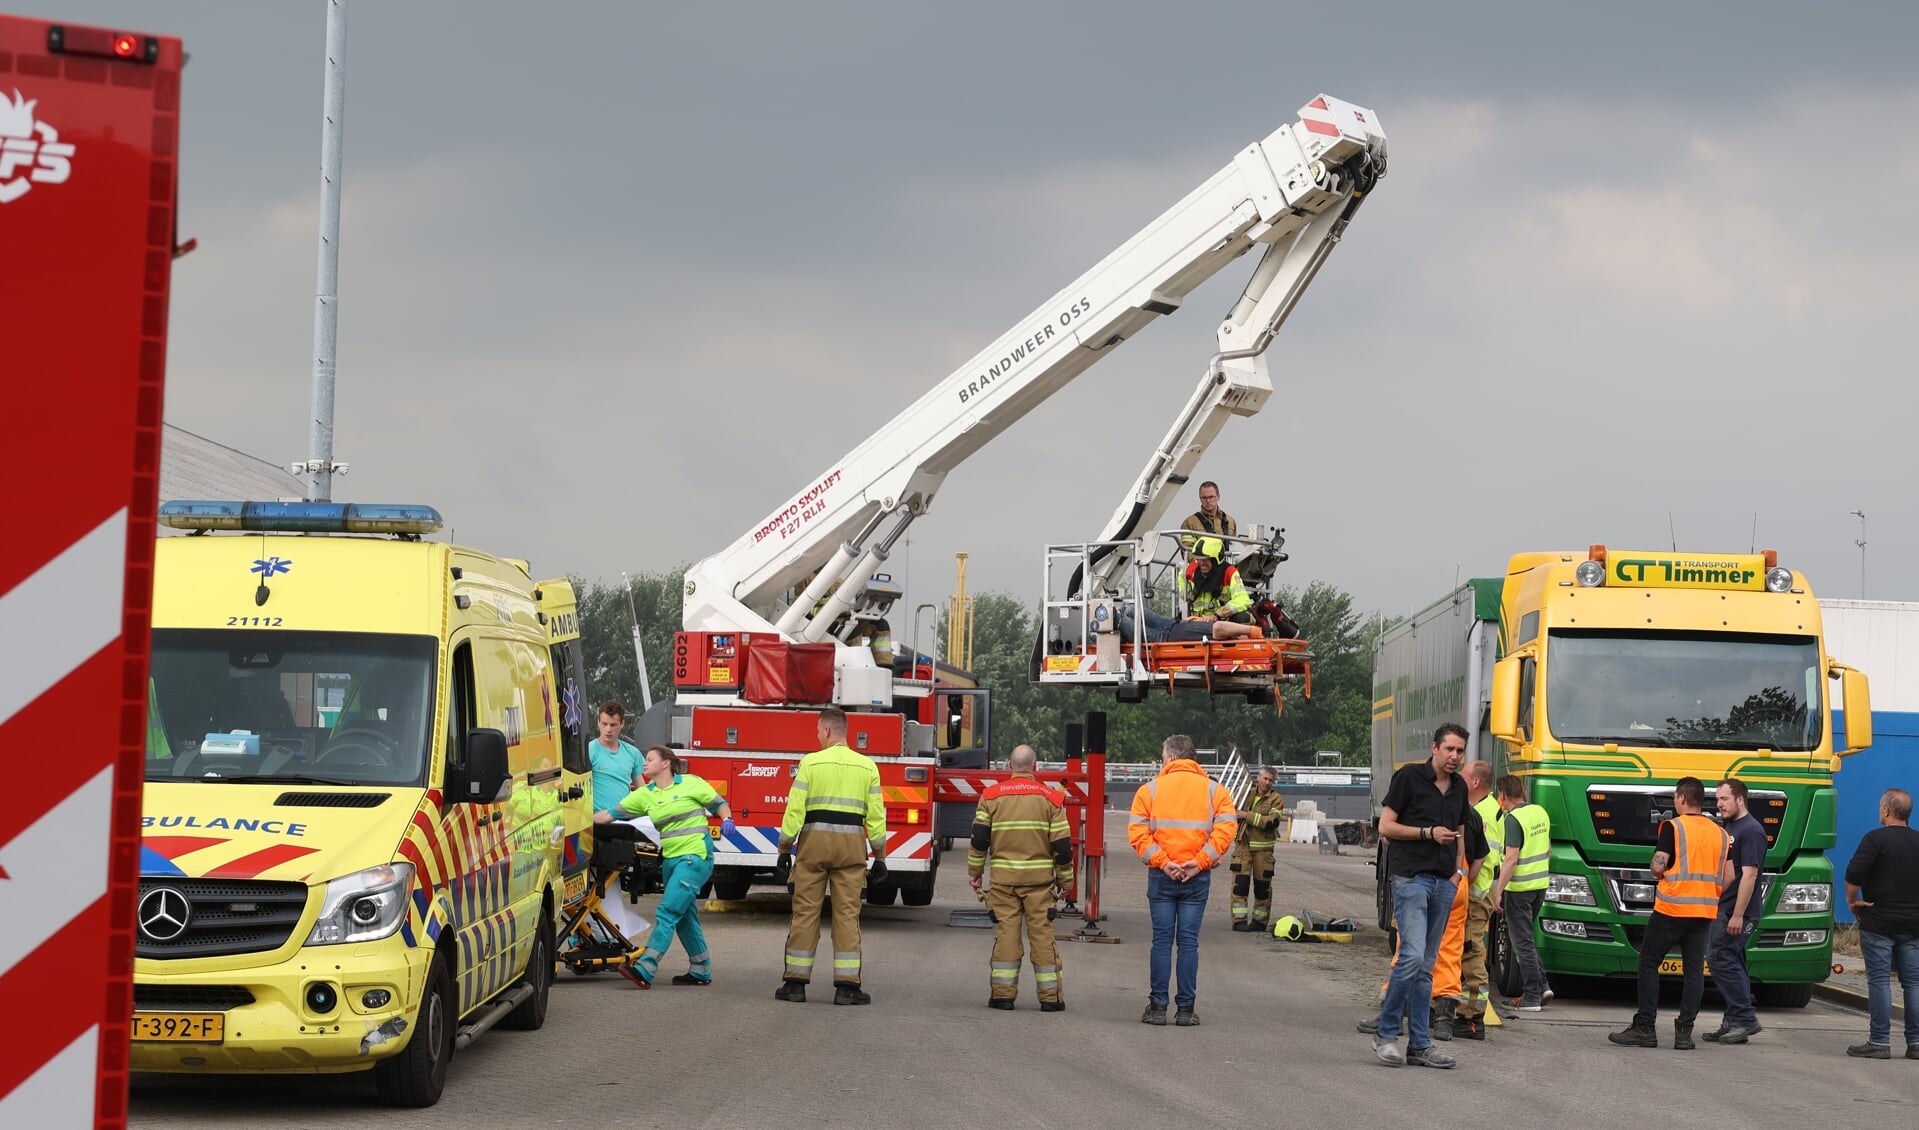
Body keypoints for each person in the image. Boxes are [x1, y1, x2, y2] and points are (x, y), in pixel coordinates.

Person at [1369, 723, 1487, 1069]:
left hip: (1443, 883)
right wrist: (1426, 833)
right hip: (1410, 880)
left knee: (1427, 966)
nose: (1454, 756)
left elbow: (1462, 829)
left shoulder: (1459, 788)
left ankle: (1420, 1044)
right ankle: (1387, 1033)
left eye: (1460, 751)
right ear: (1434, 748)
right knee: (1412, 956)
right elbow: (1386, 827)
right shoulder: (1409, 778)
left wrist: (1459, 872)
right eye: (1449, 749)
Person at [593, 745, 734, 987]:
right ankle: (701, 969)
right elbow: (606, 816)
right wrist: (573, 819)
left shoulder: (691, 783)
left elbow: (718, 804)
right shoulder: (644, 794)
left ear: (666, 763)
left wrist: (727, 818)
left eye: (649, 759)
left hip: (695, 858)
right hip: (671, 862)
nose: (644, 764)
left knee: (667, 912)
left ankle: (646, 968)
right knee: (684, 916)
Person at [773, 706, 887, 1006]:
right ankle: (847, 988)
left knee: (805, 913)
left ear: (826, 731)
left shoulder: (810, 764)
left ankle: (795, 985)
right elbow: (876, 817)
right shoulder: (868, 767)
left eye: (817, 732)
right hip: (851, 848)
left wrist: (784, 849)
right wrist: (881, 856)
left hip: (813, 847)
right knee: (847, 915)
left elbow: (795, 811)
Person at [1608, 777, 1729, 1050]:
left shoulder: (1673, 827)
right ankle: (1685, 1033)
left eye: (1676, 798)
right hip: (1704, 910)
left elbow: (1658, 866)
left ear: (1682, 799)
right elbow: (1729, 874)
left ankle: (1645, 1027)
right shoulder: (1720, 833)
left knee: (1649, 961)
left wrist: (1658, 869)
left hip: (1672, 908)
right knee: (1694, 971)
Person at [1128, 734, 1236, 1026]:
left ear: (1173, 757)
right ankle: (1186, 1010)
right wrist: (1199, 862)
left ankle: (1158, 1008)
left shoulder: (1148, 791)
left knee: (1162, 942)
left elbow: (1138, 832)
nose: (1161, 763)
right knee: (1189, 943)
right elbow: (1226, 830)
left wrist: (1164, 863)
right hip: (1196, 876)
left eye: (1163, 758)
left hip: (1162, 875)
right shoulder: (1216, 791)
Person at [968, 744, 1074, 1012]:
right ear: (1035, 766)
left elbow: (979, 839)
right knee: (1042, 938)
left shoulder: (990, 797)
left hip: (1004, 884)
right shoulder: (1052, 799)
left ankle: (1003, 995)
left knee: (1007, 935)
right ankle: (1051, 999)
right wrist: (1066, 882)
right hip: (1039, 885)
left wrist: (976, 873)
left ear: (1009, 766)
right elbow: (1062, 847)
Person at [1842, 787, 1919, 1059]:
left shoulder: (1876, 839)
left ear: (1886, 811)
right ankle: (1916, 1043)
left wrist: (1853, 902)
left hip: (1879, 922)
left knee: (1879, 982)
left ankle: (1880, 1042)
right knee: (1913, 983)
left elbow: (1853, 874)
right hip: (1913, 925)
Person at [1702, 777, 1766, 1044]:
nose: (1719, 805)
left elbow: (1750, 875)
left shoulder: (1751, 830)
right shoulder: (1731, 827)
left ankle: (1746, 1019)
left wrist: (1739, 914)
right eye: (1717, 799)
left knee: (1719, 957)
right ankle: (1732, 1022)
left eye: (1724, 799)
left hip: (1739, 911)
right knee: (1733, 961)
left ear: (1740, 799)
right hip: (1726, 906)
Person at [1491, 774, 1552, 1012]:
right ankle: (1543, 985)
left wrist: (1499, 891)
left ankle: (1531, 997)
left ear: (1503, 795)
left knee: (1522, 944)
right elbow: (1547, 850)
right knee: (1526, 939)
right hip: (1540, 886)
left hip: (1519, 890)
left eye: (1499, 795)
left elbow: (1511, 859)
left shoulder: (1512, 819)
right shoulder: (1540, 812)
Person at [1453, 761, 1499, 1039]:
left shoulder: (1481, 813)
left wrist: (1467, 891)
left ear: (1475, 783)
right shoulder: (1489, 808)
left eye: (1463, 775)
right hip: (1479, 891)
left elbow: (1483, 857)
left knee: (1470, 951)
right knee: (1465, 951)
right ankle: (1464, 1011)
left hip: (1476, 893)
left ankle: (1472, 1018)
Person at [1230, 768, 1286, 933]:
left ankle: (1259, 922)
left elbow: (1272, 822)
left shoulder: (1276, 799)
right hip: (1243, 847)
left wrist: (1247, 816)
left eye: (1271, 780)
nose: (1267, 783)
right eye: (1265, 779)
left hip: (1263, 851)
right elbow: (1233, 811)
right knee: (1239, 886)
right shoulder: (1246, 793)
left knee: (1262, 888)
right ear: (1258, 778)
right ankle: (1238, 920)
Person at [1176, 537, 1255, 627]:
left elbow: (1242, 599)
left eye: (1205, 559)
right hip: (1198, 622)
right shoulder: (1192, 570)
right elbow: (1182, 576)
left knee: (1243, 617)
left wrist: (1218, 615)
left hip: (1222, 622)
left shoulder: (1229, 573)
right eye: (1199, 559)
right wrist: (1187, 594)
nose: (1201, 563)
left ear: (1216, 559)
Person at [588, 701, 645, 816]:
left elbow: (641, 790)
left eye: (613, 725)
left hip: (623, 819)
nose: (608, 729)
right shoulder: (589, 750)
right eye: (604, 724)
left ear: (622, 724)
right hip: (596, 821)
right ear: (598, 722)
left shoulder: (633, 753)